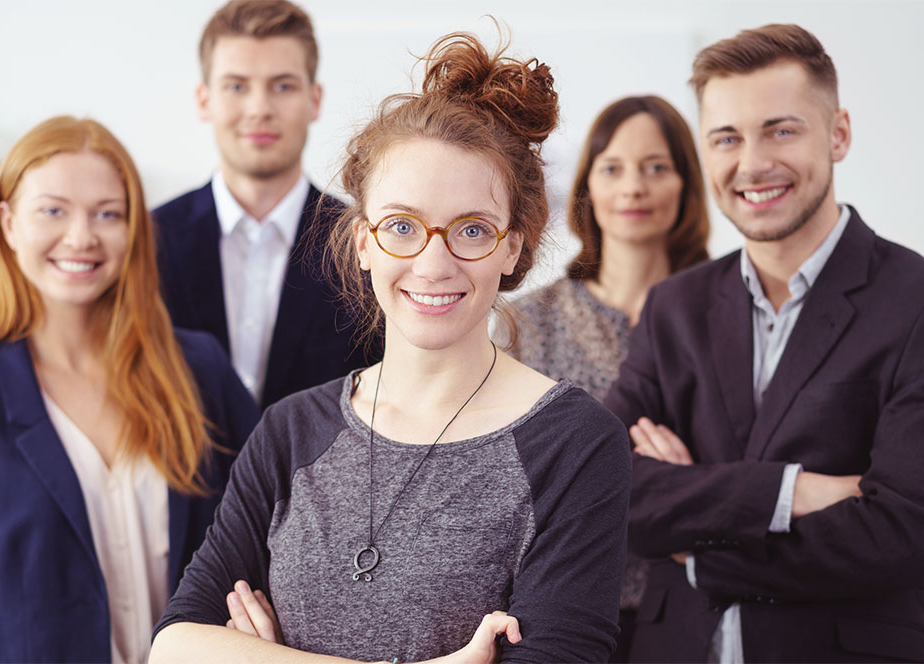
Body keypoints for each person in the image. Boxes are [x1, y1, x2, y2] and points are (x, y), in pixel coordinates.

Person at [149, 30, 630, 663]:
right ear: (364, 240)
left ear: (513, 246)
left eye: (472, 230)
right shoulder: (289, 431)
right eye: (402, 226)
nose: (434, 263)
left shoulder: (575, 443)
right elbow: (176, 647)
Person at [603, 24, 924, 663]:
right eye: (727, 138)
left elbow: (907, 535)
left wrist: (699, 545)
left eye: (781, 129)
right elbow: (609, 488)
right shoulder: (676, 306)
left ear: (838, 133)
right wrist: (788, 492)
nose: (751, 163)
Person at [0, 116, 260, 663]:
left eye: (107, 213)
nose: (81, 236)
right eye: (53, 210)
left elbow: (275, 525)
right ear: (8, 223)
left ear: (133, 227)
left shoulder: (197, 367)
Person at [507, 94, 709, 657]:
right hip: (556, 609)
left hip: (698, 605)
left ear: (687, 185)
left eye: (656, 168)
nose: (633, 188)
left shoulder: (727, 315)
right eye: (613, 168)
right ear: (587, 187)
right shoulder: (524, 322)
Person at [154, 0, 375, 408]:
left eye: (283, 86)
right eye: (236, 86)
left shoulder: (365, 245)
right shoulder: (147, 241)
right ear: (204, 100)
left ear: (315, 99)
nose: (259, 109)